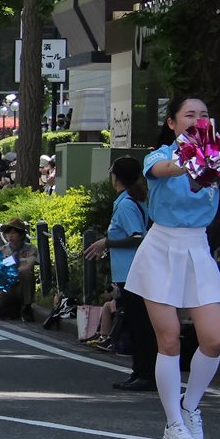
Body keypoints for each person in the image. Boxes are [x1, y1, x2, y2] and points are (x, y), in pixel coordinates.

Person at [125, 96, 220, 439]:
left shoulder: (218, 158)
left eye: (203, 114)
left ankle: (190, 406)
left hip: (197, 247)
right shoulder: (158, 156)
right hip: (161, 248)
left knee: (214, 339)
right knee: (169, 338)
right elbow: (165, 170)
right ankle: (173, 422)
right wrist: (194, 158)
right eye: (188, 114)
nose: (197, 119)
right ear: (172, 123)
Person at [83, 157, 155, 390]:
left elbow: (137, 237)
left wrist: (107, 242)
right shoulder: (134, 200)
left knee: (139, 324)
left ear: (116, 177)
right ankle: (140, 371)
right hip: (132, 270)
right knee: (137, 323)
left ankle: (145, 373)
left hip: (132, 271)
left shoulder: (126, 205)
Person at [0, 218, 39, 323]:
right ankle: (13, 309)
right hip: (7, 289)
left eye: (14, 233)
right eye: (8, 232)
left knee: (26, 273)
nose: (10, 236)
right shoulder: (2, 250)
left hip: (22, 287)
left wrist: (12, 270)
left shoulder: (31, 249)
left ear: (21, 235)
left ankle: (27, 306)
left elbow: (28, 265)